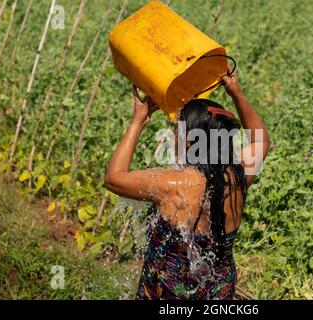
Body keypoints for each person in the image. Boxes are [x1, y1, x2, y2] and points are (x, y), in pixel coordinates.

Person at [104, 65, 270, 299]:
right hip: (219, 293)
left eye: (177, 129)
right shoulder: (238, 176)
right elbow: (262, 140)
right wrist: (237, 93)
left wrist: (137, 122)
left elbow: (113, 179)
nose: (173, 135)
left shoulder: (170, 185)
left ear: (190, 141)